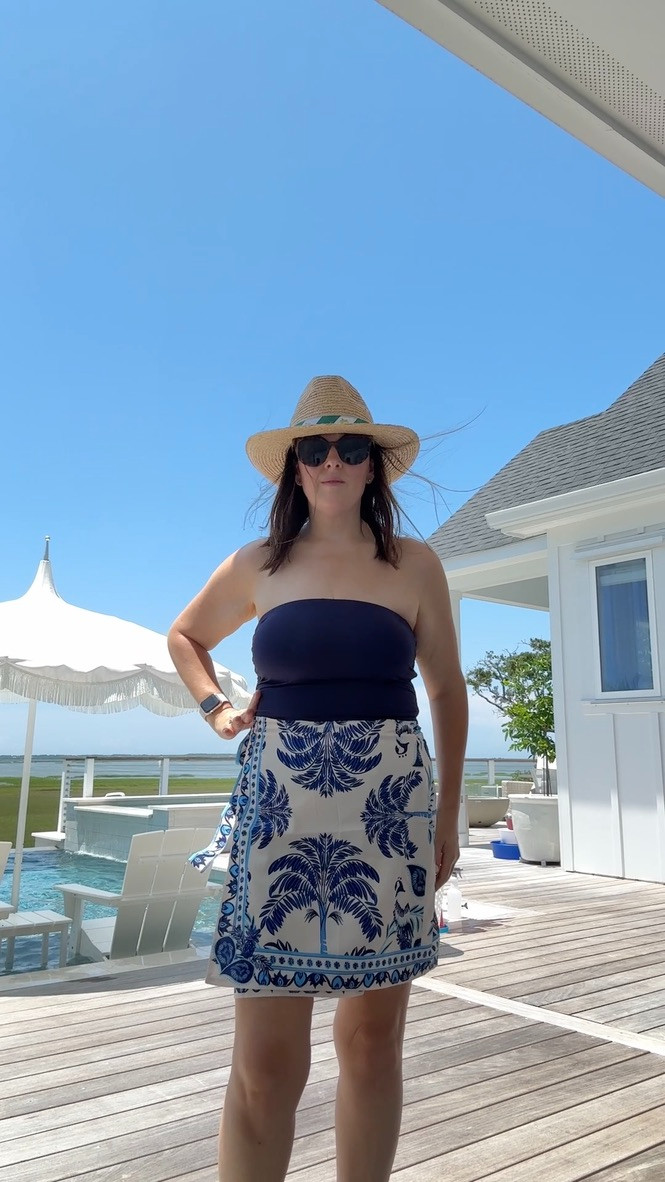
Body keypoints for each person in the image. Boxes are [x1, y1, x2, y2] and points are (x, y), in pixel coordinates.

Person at [167, 374, 468, 1182]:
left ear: (373, 466)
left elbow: (445, 689)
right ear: (294, 468)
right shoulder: (256, 565)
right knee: (266, 1065)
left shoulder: (414, 564)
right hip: (278, 811)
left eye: (350, 445)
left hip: (388, 812)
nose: (332, 459)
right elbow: (185, 637)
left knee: (371, 1045)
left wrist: (447, 816)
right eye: (314, 447)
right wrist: (215, 708)